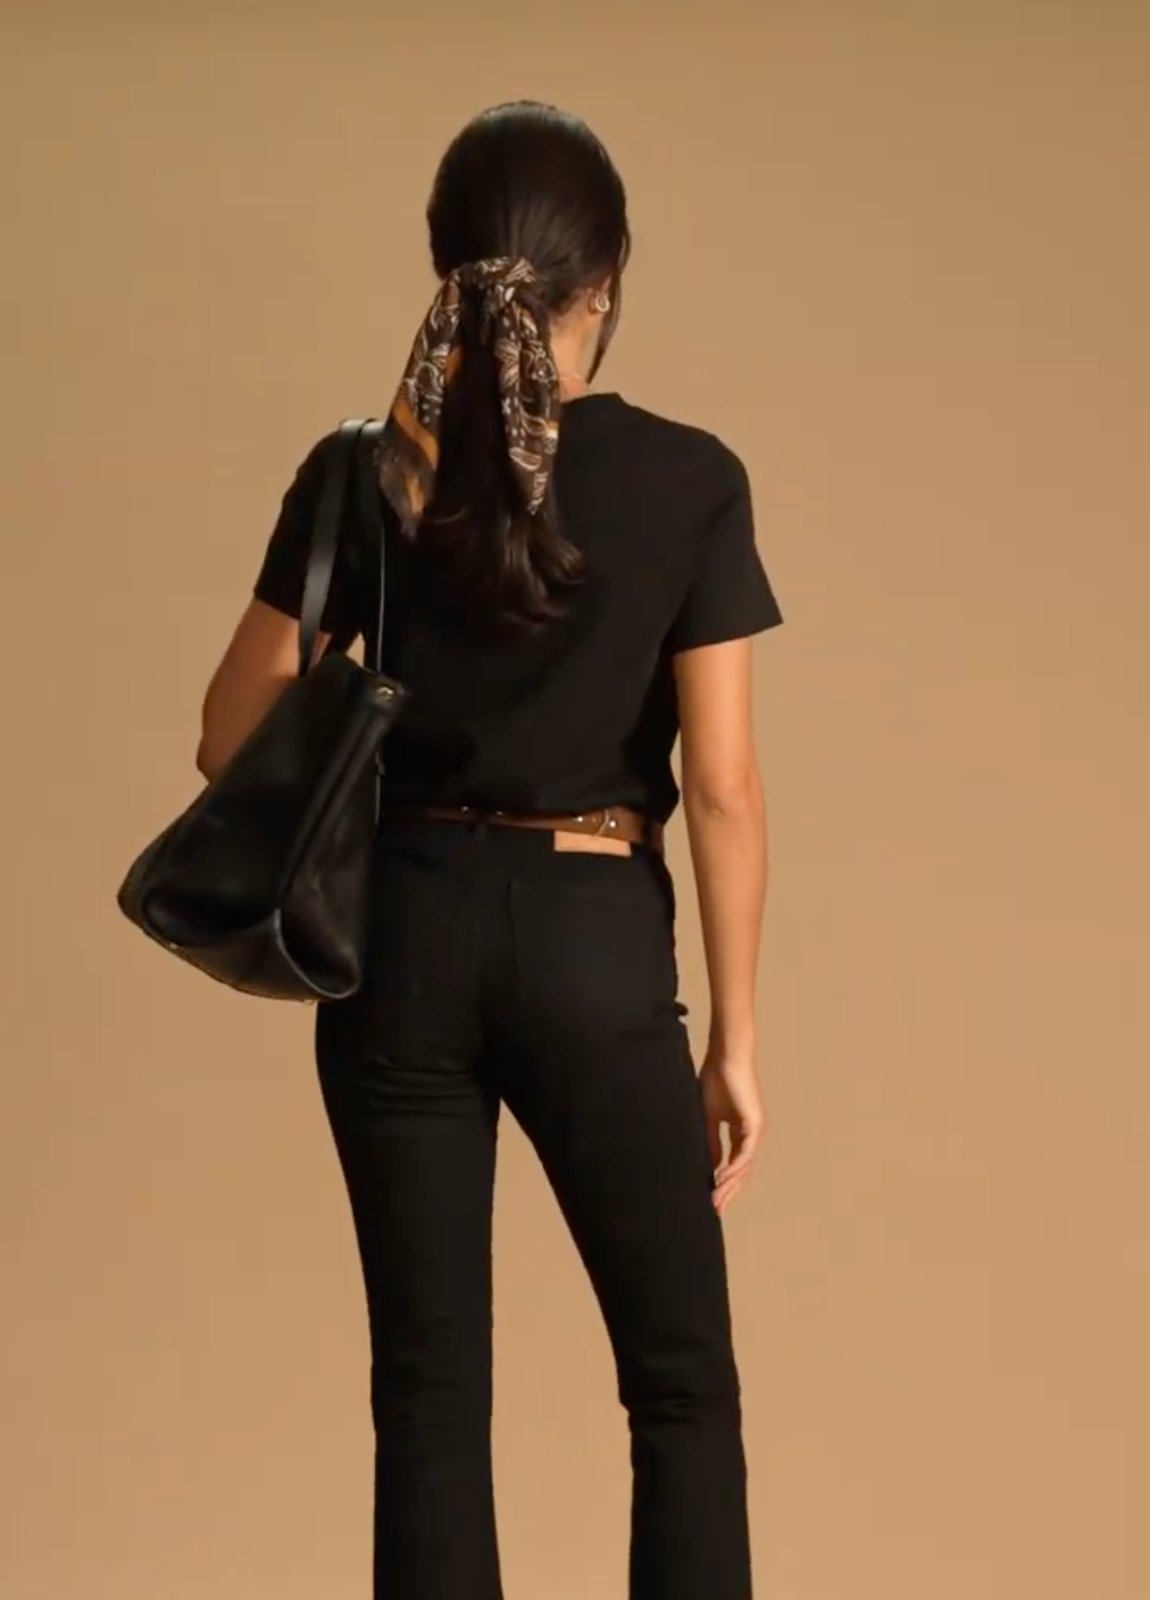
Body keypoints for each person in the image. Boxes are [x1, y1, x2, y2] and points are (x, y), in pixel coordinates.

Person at [197, 100, 782, 1600]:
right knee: (681, 1392)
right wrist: (734, 1038)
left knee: (430, 1398)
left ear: (445, 269)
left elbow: (224, 736)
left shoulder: (368, 474)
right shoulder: (690, 479)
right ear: (610, 273)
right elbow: (721, 787)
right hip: (592, 943)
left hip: (396, 942)